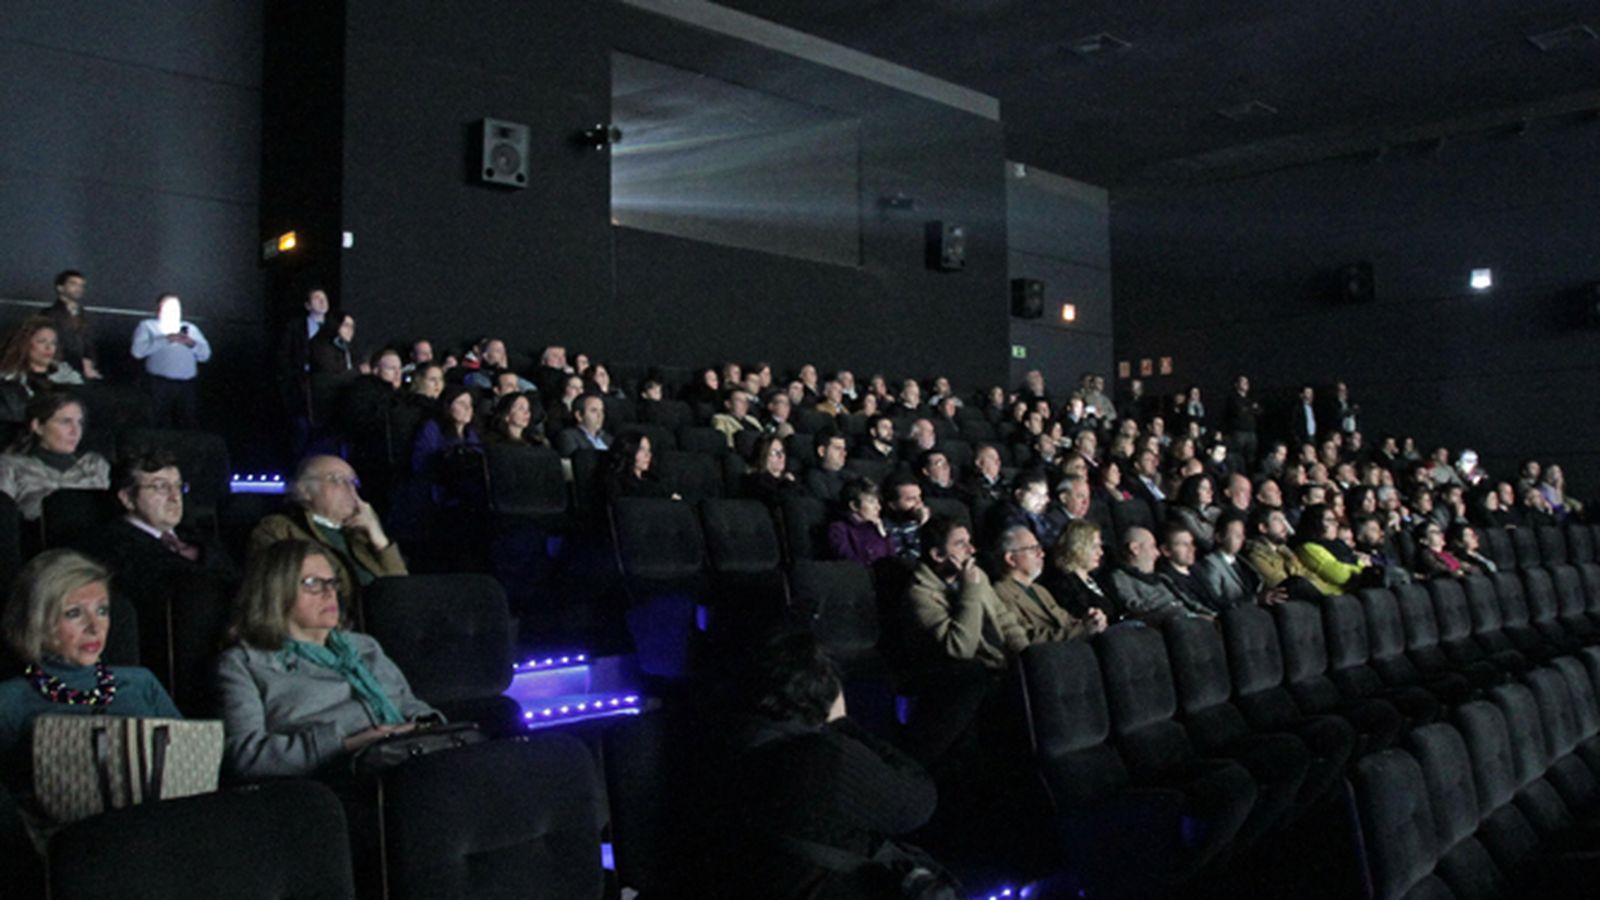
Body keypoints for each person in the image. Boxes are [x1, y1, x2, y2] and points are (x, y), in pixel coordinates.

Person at [699, 632, 939, 900]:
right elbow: (917, 803)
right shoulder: (825, 757)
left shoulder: (714, 741)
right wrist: (844, 726)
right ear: (823, 692)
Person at [216, 540, 437, 779]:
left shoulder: (363, 646)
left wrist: (427, 725)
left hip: (412, 757)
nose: (330, 593)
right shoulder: (244, 664)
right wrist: (344, 744)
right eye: (313, 584)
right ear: (277, 592)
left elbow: (410, 705)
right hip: (338, 778)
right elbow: (246, 757)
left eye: (332, 582)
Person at [0, 550, 181, 795]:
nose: (94, 628)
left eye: (102, 611)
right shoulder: (10, 699)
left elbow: (184, 761)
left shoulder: (141, 682)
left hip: (151, 821)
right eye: (74, 613)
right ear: (38, 622)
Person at [248, 455, 407, 603]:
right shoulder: (279, 528)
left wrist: (380, 540)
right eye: (337, 479)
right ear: (305, 491)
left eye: (353, 482)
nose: (350, 488)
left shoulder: (361, 533)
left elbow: (403, 593)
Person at [77, 451, 237, 591]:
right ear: (127, 498)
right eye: (161, 487)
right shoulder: (109, 545)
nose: (174, 497)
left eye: (178, 486)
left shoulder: (199, 536)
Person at [0, 393, 110, 520]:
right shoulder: (9, 466)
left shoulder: (94, 464)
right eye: (65, 422)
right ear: (38, 426)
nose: (75, 430)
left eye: (80, 422)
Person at [991, 525, 1106, 646]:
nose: (1041, 554)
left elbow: (1067, 621)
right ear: (1010, 559)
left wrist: (1090, 620)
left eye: (1039, 548)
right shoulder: (1000, 594)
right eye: (1033, 549)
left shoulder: (1040, 590)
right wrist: (1082, 630)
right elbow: (1026, 638)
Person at [130, 293, 211, 428]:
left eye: (176, 308)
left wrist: (191, 343)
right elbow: (137, 352)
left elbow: (206, 355)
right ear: (158, 310)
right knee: (155, 422)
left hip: (186, 386)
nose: (173, 312)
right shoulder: (148, 326)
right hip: (158, 385)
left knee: (187, 424)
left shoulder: (190, 328)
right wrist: (166, 339)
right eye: (168, 308)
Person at [1108, 526, 1212, 625]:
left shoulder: (1163, 578)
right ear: (1135, 549)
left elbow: (1187, 601)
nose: (1157, 553)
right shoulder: (1120, 577)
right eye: (1152, 547)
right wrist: (1169, 604)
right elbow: (1134, 607)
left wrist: (1208, 614)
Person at [0, 317, 85, 408]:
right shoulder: (8, 380)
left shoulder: (68, 377)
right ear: (25, 343)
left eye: (53, 343)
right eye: (42, 341)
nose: (49, 347)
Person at [1291, 504, 1372, 595]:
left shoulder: (1339, 544)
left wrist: (1362, 570)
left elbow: (1360, 564)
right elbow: (1340, 575)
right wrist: (1362, 571)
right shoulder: (1308, 548)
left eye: (1335, 520)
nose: (1336, 524)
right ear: (1315, 522)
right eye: (1329, 520)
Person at [1195, 511, 1269, 608]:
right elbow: (1216, 601)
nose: (1242, 539)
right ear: (1219, 537)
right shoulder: (1211, 564)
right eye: (1237, 535)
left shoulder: (1242, 560)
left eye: (1242, 535)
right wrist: (1256, 599)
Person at [44, 270, 101, 380]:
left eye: (81, 285)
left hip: (80, 371)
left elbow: (86, 341)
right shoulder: (49, 314)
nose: (78, 288)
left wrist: (88, 363)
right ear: (60, 288)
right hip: (59, 371)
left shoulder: (81, 313)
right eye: (73, 284)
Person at [826, 479, 894, 567]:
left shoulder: (876, 527)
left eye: (878, 502)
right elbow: (852, 563)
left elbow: (892, 557)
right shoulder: (838, 530)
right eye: (872, 502)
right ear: (854, 505)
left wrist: (883, 535)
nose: (878, 507)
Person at [604, 432, 678, 501]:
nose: (648, 455)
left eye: (649, 450)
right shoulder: (617, 484)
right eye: (642, 450)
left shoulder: (653, 479)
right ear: (629, 450)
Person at [881, 475, 930, 561]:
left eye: (919, 497)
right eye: (911, 499)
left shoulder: (927, 518)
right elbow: (907, 560)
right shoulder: (887, 529)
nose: (919, 503)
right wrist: (924, 527)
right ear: (892, 504)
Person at [743, 434, 799, 509]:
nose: (781, 456)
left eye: (782, 451)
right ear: (763, 456)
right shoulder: (755, 481)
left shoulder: (790, 476)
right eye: (774, 453)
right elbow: (775, 500)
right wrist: (789, 484)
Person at [804, 432, 852, 503]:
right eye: (838, 449)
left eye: (844, 449)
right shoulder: (812, 478)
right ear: (822, 451)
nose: (844, 453)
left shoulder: (849, 475)